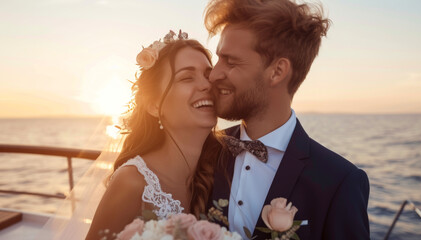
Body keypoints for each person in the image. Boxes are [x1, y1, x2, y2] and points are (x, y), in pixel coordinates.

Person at [204, 0, 370, 239]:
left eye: (230, 62)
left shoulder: (339, 181)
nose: (214, 74)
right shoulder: (205, 150)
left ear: (277, 71)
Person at [83, 31, 223, 239]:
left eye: (208, 75)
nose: (206, 85)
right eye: (187, 77)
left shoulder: (226, 168)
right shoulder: (133, 182)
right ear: (154, 105)